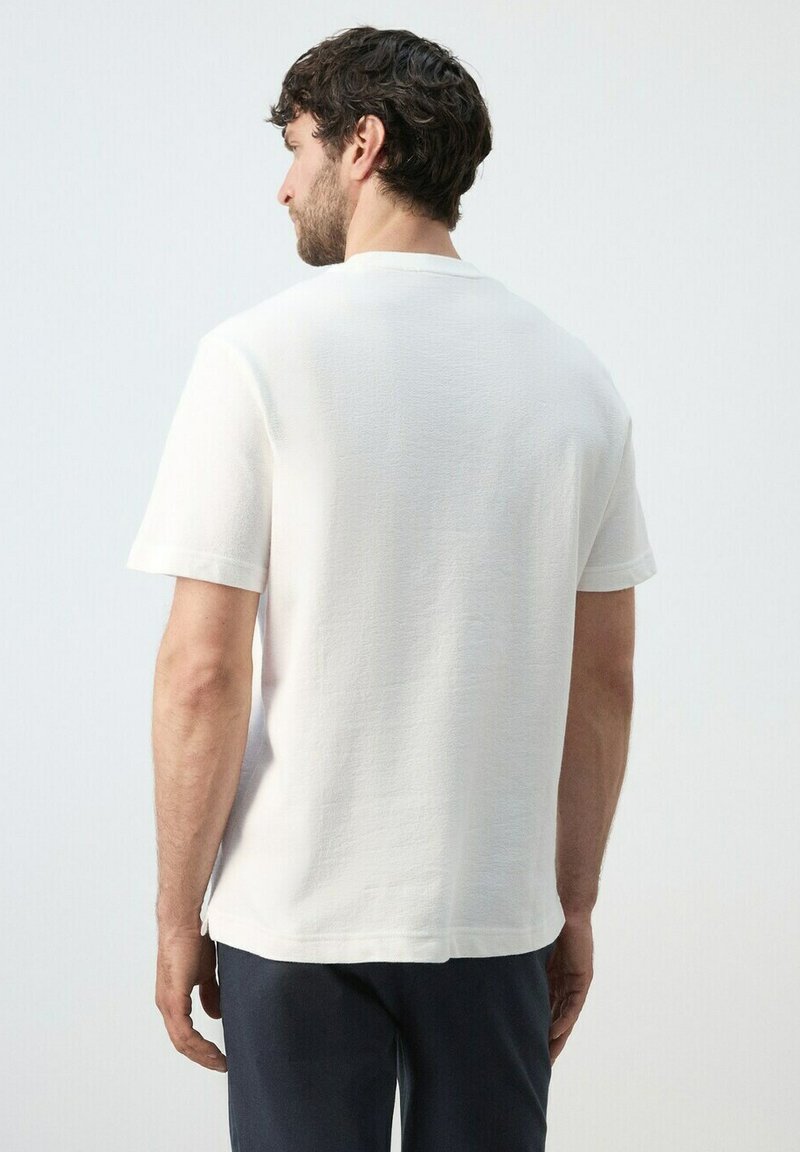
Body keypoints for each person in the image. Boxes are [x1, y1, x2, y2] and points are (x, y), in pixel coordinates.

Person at [126, 24, 657, 1152]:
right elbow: (603, 681)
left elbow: (201, 672)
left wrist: (176, 915)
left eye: (295, 148)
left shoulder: (256, 358)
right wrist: (572, 905)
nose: (282, 187)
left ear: (360, 145)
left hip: (296, 915)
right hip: (494, 916)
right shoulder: (577, 382)